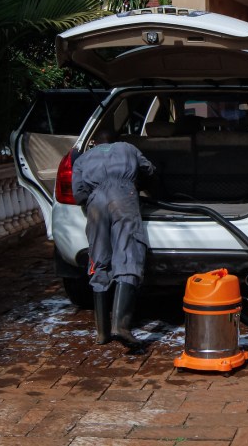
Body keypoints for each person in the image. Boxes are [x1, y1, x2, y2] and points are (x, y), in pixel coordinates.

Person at [72, 127, 156, 349]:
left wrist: (95, 197)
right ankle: (121, 325)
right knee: (128, 252)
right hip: (123, 196)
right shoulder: (128, 148)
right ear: (117, 140)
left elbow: (78, 193)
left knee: (99, 257)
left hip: (95, 202)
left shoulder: (83, 158)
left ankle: (102, 332)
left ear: (95, 143)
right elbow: (148, 170)